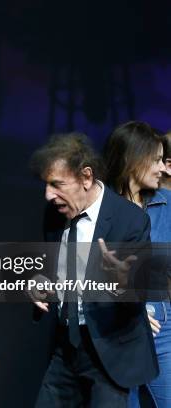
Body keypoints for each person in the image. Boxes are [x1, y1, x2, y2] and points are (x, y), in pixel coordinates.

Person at [29, 133, 158, 407]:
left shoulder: (129, 219)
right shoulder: (53, 214)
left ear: (86, 177)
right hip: (65, 349)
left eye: (57, 184)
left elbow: (140, 293)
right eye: (46, 185)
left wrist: (126, 282)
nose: (48, 194)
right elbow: (50, 270)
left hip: (110, 351)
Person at [103, 121, 170, 407]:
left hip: (164, 331)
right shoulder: (100, 209)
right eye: (155, 160)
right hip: (117, 332)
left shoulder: (166, 205)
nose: (162, 168)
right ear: (134, 161)